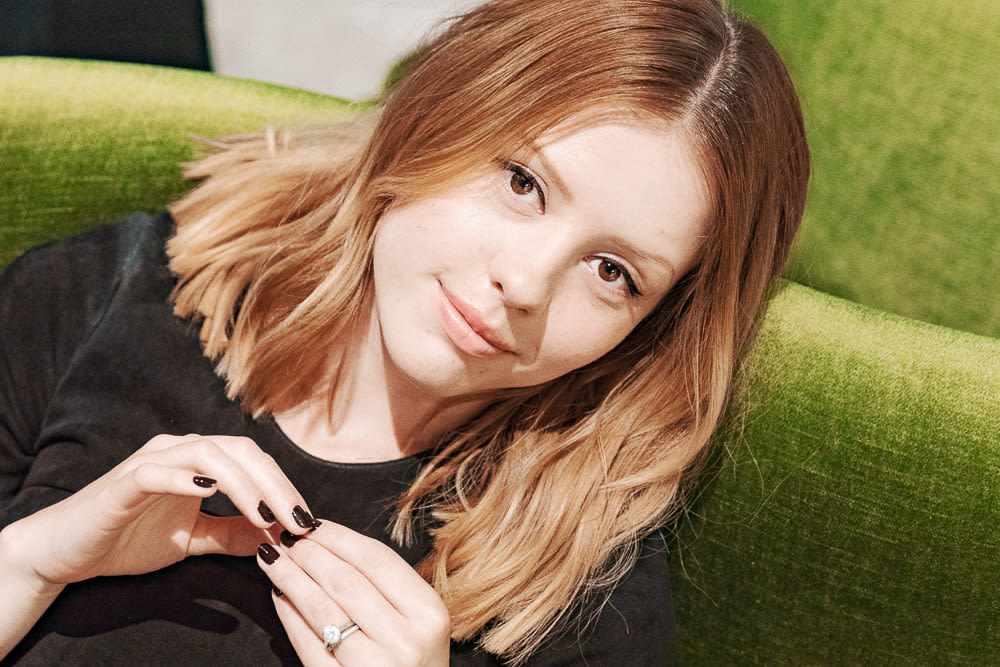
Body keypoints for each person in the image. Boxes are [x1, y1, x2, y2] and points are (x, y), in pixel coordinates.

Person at [0, 0, 809, 663]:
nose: (525, 283)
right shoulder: (103, 292)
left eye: (611, 271)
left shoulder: (586, 595)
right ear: (439, 108)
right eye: (522, 181)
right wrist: (28, 562)